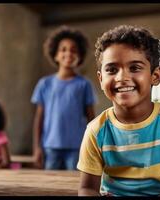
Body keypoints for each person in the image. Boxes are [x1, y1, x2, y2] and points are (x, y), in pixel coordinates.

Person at [77, 25, 160, 196]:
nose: (122, 77)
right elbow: (87, 188)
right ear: (101, 79)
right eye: (112, 70)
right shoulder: (96, 131)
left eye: (135, 68)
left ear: (155, 76)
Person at [31, 25, 97, 170]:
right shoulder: (45, 84)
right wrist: (37, 148)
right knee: (51, 185)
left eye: (74, 50)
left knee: (73, 184)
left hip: (77, 146)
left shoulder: (84, 84)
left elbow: (91, 119)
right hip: (50, 146)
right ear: (55, 55)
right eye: (63, 49)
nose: (68, 53)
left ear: (80, 57)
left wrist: (93, 147)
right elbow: (39, 119)